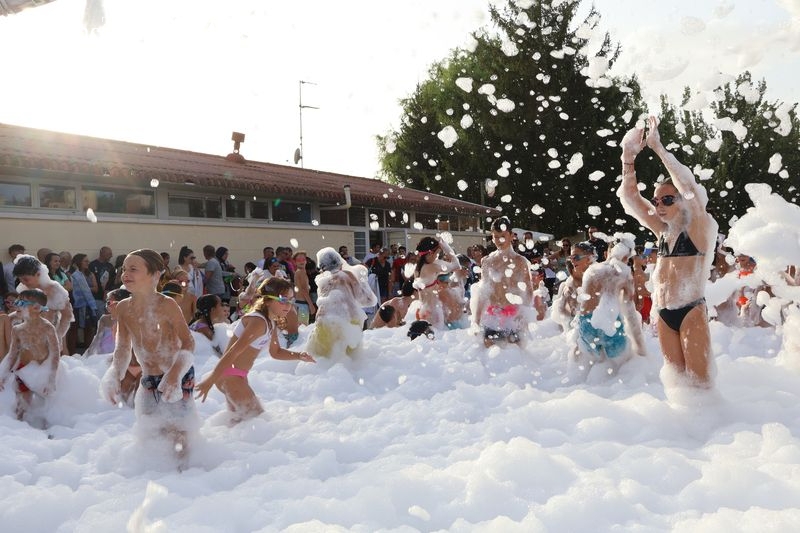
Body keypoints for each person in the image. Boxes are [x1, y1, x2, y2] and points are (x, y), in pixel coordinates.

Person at [619, 116, 718, 387]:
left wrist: (658, 149)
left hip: (690, 311)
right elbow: (630, 198)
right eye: (656, 200)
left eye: (667, 199)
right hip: (663, 313)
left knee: (700, 387)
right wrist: (628, 158)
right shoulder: (662, 231)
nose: (659, 205)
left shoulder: (697, 227)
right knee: (678, 387)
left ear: (682, 202)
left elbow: (689, 188)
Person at [100, 249, 198, 466]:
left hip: (177, 373)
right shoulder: (124, 308)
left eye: (133, 269)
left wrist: (174, 375)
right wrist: (114, 374)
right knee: (149, 427)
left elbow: (189, 342)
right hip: (149, 377)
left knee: (178, 431)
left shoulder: (166, 305)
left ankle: (185, 471)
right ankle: (157, 471)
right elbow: (122, 348)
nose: (126, 274)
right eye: (124, 269)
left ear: (154, 275)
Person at [195, 278, 315, 424]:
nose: (288, 305)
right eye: (283, 300)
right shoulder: (258, 322)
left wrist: (299, 355)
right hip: (229, 376)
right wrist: (210, 380)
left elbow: (276, 352)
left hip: (235, 376)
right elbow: (233, 352)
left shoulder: (269, 322)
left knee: (241, 425)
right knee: (258, 420)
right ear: (267, 300)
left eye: (291, 300)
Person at [576, 234, 646, 362]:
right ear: (626, 256)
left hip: (585, 324)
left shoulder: (592, 270)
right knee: (619, 367)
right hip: (609, 322)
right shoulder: (624, 274)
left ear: (606, 252)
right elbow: (630, 313)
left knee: (593, 364)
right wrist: (641, 349)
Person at [470, 217, 534, 347]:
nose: (500, 240)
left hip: (513, 316)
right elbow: (483, 292)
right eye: (496, 237)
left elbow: (528, 291)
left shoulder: (520, 261)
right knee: (490, 353)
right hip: (492, 316)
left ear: (511, 236)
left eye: (503, 236)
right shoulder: (487, 261)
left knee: (516, 354)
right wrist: (476, 320)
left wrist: (523, 315)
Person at [0, 289, 60, 423]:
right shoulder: (17, 329)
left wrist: (51, 379)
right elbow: (12, 355)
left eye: (21, 303)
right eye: (16, 302)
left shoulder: (47, 328)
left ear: (36, 308)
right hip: (23, 372)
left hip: (43, 373)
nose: (16, 305)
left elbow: (55, 355)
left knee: (44, 411)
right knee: (21, 410)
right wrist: (2, 376)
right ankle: (21, 431)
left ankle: (46, 431)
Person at [306, 247, 377, 358]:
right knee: (349, 360)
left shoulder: (322, 281)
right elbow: (368, 300)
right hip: (349, 322)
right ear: (339, 263)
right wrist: (363, 279)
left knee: (323, 360)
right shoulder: (346, 275)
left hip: (323, 322)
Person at [12, 255, 73, 354]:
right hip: (29, 335)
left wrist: (58, 335)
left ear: (38, 274)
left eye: (26, 279)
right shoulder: (24, 288)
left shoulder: (54, 289)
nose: (23, 283)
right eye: (20, 280)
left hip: (49, 333)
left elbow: (67, 315)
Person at [413, 236, 462, 329]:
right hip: (433, 313)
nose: (437, 256)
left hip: (423, 310)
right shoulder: (432, 267)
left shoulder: (418, 267)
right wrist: (446, 247)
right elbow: (457, 265)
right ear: (431, 253)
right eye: (437, 253)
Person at [85, 287, 131, 356]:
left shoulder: (129, 321)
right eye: (106, 302)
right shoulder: (104, 319)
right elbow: (97, 338)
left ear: (121, 304)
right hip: (102, 356)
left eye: (109, 303)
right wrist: (88, 356)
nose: (106, 306)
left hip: (118, 356)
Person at [67, 254, 99, 353]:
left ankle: (88, 353)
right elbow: (70, 288)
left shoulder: (90, 274)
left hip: (88, 304)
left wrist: (84, 289)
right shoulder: (71, 274)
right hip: (75, 304)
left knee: (89, 328)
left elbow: (96, 288)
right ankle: (71, 353)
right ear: (78, 262)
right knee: (73, 328)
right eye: (85, 261)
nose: (88, 263)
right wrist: (84, 289)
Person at [89, 246, 116, 317]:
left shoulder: (110, 266)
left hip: (107, 296)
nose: (111, 256)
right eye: (109, 254)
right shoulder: (92, 265)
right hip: (95, 296)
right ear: (102, 253)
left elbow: (112, 281)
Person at [292, 251, 316, 326]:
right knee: (303, 327)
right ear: (295, 262)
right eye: (299, 260)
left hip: (299, 303)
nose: (301, 262)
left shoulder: (300, 272)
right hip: (302, 304)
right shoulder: (301, 272)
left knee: (301, 326)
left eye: (303, 259)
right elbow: (304, 290)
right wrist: (311, 305)